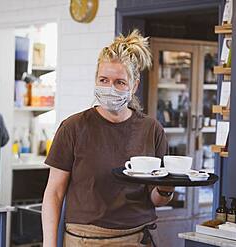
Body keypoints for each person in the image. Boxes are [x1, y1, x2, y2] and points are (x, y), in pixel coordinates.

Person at [42, 30, 174, 247]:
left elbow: (156, 198)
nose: (110, 88)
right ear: (95, 79)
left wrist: (167, 188)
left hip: (138, 238)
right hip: (85, 239)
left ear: (134, 86)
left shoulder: (152, 130)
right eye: (103, 80)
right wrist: (49, 244)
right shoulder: (73, 128)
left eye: (120, 82)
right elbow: (54, 193)